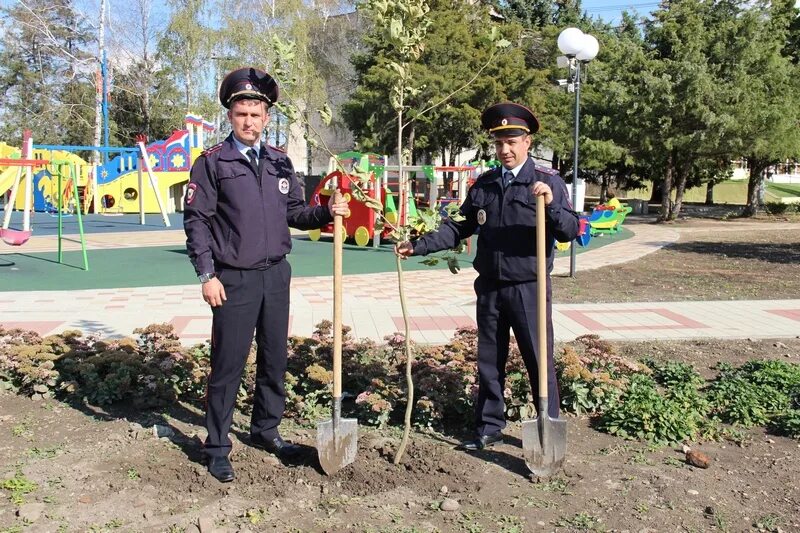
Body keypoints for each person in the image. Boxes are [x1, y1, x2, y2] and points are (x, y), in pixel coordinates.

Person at [183, 67, 349, 482]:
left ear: (267, 117)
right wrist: (207, 274)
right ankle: (217, 445)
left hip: (276, 276)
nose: (249, 121)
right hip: (233, 280)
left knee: (275, 360)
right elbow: (197, 222)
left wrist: (328, 211)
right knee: (228, 365)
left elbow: (295, 212)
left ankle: (265, 431)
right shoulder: (212, 164)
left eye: (256, 113)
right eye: (242, 113)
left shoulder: (279, 162)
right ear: (230, 116)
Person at [395, 102, 579, 450]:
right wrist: (419, 246)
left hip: (529, 287)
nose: (505, 150)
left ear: (527, 142)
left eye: (512, 142)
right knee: (489, 360)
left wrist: (552, 203)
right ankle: (489, 427)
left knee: (539, 359)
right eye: (499, 143)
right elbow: (458, 227)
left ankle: (547, 427)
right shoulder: (485, 185)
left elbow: (569, 230)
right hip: (490, 287)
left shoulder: (546, 182)